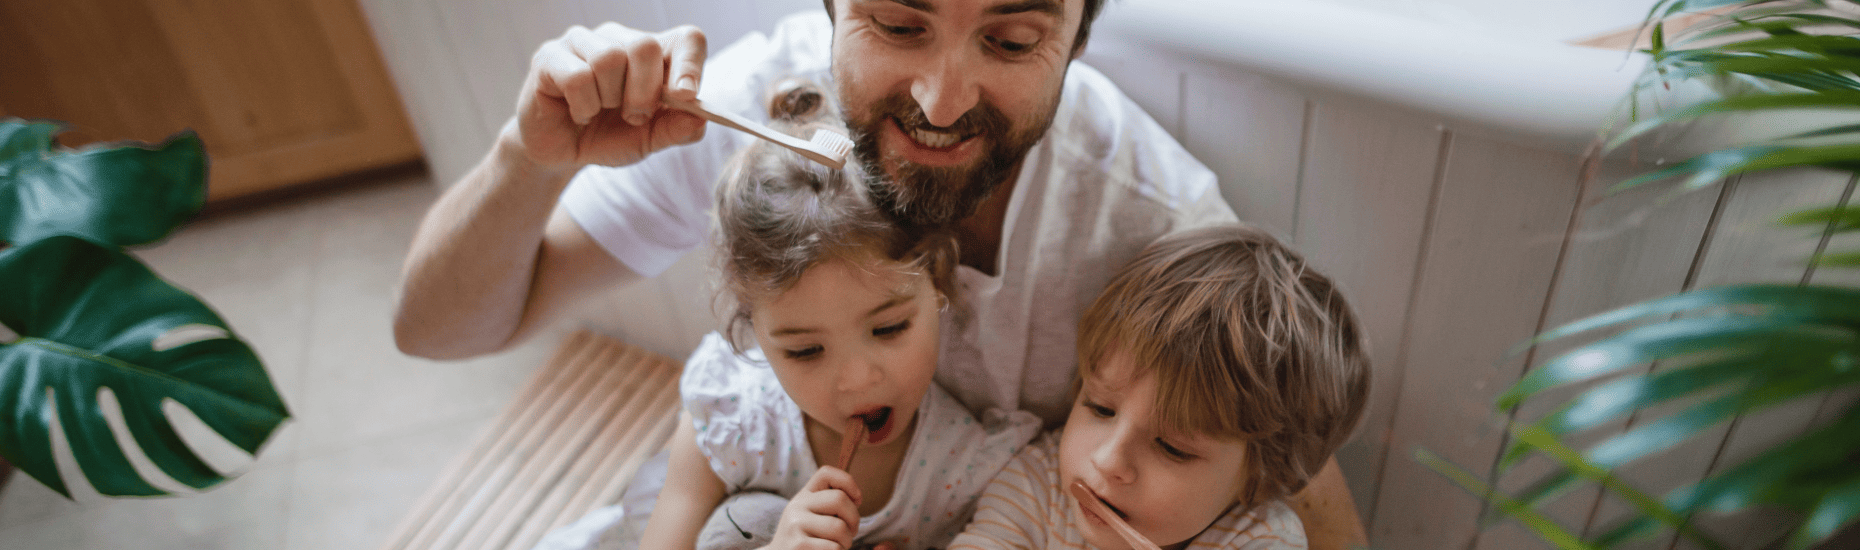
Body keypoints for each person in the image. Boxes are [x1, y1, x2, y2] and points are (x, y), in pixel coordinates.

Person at [395, 0, 1361, 546]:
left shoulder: (1154, 222)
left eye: (1013, 40)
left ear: (1078, 34)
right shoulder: (753, 124)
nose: (942, 99)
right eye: (899, 22)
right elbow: (436, 331)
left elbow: (1298, 481)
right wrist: (530, 154)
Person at [577, 83, 1039, 550]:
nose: (858, 380)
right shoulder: (735, 421)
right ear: (752, 329)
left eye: (889, 327)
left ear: (937, 284)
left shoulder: (964, 469)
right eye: (805, 351)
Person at [949, 225, 1370, 550]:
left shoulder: (1260, 537)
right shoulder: (1038, 484)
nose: (1107, 459)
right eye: (1099, 408)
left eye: (1172, 447)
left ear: (1258, 479)